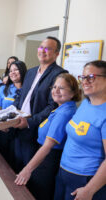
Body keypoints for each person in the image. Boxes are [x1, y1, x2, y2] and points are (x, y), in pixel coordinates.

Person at [15, 73, 81, 200]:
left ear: (73, 93)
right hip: (44, 158)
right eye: (54, 87)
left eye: (61, 88)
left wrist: (27, 169)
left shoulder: (64, 113)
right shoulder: (60, 108)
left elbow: (47, 146)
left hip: (48, 160)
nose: (55, 91)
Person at [12, 36, 67, 174]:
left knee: (29, 173)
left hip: (35, 131)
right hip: (18, 126)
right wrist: (9, 115)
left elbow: (52, 107)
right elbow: (21, 96)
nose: (43, 51)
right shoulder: (31, 72)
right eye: (41, 47)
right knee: (15, 166)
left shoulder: (59, 74)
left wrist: (29, 122)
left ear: (56, 54)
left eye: (48, 48)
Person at [54, 60, 106, 200]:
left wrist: (89, 190)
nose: (85, 81)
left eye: (91, 77)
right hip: (64, 172)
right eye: (83, 77)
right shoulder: (85, 103)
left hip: (85, 181)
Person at [0, 60, 27, 168]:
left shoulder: (29, 90)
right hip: (5, 129)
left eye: (16, 69)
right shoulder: (3, 89)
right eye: (10, 70)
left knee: (17, 161)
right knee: (1, 159)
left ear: (22, 70)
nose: (12, 72)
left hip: (23, 130)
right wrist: (0, 125)